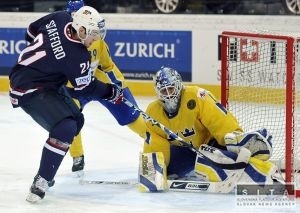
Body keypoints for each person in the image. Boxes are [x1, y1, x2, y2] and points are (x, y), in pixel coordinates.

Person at [9, 5, 123, 202]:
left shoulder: (59, 17)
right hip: (28, 89)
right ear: (81, 29)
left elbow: (30, 31)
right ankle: (42, 180)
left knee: (77, 120)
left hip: (35, 79)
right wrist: (110, 92)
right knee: (66, 127)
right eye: (93, 34)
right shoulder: (78, 56)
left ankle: (49, 162)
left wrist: (47, 63)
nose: (95, 40)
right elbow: (85, 89)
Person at [137, 67, 278, 192]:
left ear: (179, 86)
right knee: (172, 169)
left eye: (171, 89)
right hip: (184, 151)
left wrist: (231, 137)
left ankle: (262, 171)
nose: (168, 94)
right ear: (158, 92)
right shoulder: (152, 111)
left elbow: (218, 118)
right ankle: (231, 163)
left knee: (214, 158)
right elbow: (154, 141)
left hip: (209, 143)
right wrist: (151, 169)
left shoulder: (197, 96)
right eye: (164, 90)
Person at [64, 0, 146, 175]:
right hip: (75, 89)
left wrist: (119, 87)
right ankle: (77, 155)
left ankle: (153, 140)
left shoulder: (97, 41)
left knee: (131, 115)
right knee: (69, 118)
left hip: (100, 85)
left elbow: (108, 66)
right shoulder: (62, 45)